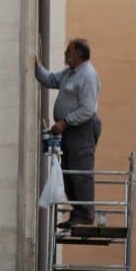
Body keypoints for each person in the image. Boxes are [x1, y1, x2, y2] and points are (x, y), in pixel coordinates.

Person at [35, 38, 102, 228]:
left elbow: (87, 109)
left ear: (78, 55)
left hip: (82, 127)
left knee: (80, 170)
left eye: (68, 52)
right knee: (69, 171)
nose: (65, 54)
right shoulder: (69, 73)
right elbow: (49, 80)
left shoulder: (87, 75)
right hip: (70, 130)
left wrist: (65, 122)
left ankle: (86, 214)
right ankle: (77, 213)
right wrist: (35, 64)